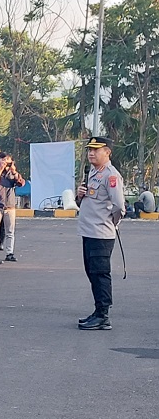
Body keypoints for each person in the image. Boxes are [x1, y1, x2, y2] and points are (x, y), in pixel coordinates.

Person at [75, 136, 125, 330]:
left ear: (108, 152)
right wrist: (80, 196)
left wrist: (112, 222)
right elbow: (89, 201)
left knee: (100, 273)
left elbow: (119, 206)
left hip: (101, 234)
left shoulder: (111, 175)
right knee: (92, 272)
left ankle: (103, 316)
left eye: (96, 150)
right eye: (89, 149)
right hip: (88, 231)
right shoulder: (93, 172)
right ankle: (97, 311)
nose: (91, 153)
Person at [0, 152, 25, 262]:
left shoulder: (12, 173)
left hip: (10, 205)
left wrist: (14, 171)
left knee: (10, 231)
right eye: (4, 160)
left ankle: (9, 253)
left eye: (8, 160)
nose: (6, 163)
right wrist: (0, 168)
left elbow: (21, 183)